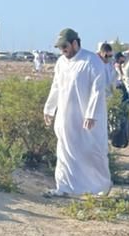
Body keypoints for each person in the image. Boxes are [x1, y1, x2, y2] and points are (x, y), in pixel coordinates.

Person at [43, 27, 111, 196]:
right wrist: (49, 109)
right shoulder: (61, 63)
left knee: (92, 151)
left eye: (64, 46)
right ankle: (64, 188)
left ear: (74, 43)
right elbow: (56, 86)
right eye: (60, 48)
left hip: (88, 118)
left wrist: (91, 114)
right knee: (65, 152)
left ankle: (100, 187)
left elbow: (98, 89)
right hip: (65, 117)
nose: (62, 50)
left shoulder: (91, 61)